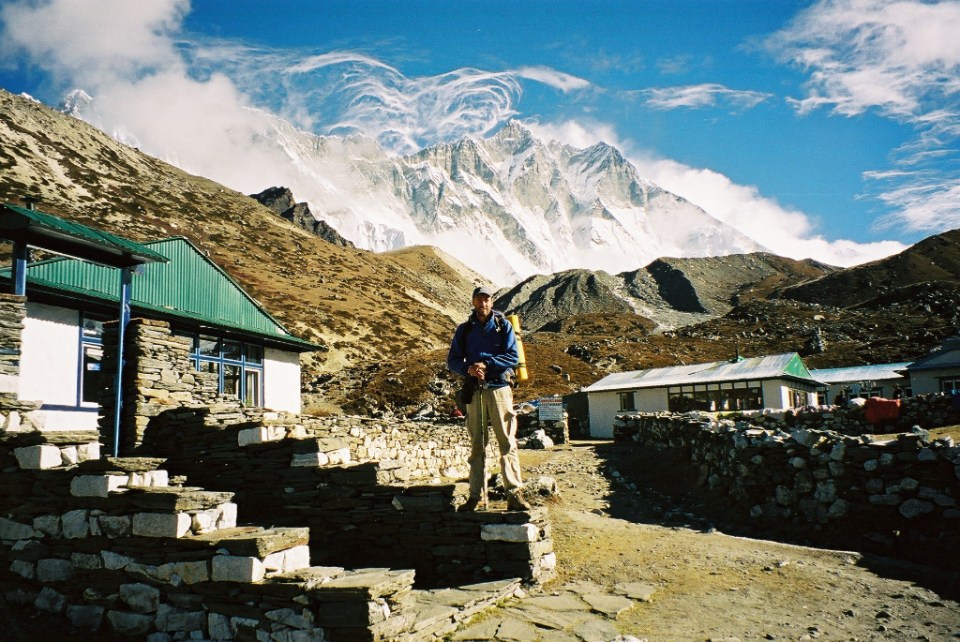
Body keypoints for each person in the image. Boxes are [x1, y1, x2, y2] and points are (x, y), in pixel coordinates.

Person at [447, 285, 531, 512]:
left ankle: (514, 493)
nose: (483, 304)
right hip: (474, 391)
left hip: (499, 387)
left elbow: (513, 356)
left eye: (486, 300)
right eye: (479, 299)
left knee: (507, 442)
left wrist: (487, 364)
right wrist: (469, 369)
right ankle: (475, 496)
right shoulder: (464, 330)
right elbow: (453, 360)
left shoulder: (503, 327)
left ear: (492, 302)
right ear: (473, 302)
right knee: (477, 446)